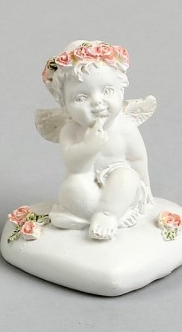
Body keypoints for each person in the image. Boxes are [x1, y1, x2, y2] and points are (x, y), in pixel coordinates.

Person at [36, 40, 155, 241]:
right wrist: (88, 148)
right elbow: (75, 167)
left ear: (121, 92)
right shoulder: (70, 131)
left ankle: (108, 215)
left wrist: (147, 186)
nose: (97, 102)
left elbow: (137, 159)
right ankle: (95, 217)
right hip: (86, 185)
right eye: (81, 97)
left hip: (121, 188)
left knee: (126, 176)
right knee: (72, 185)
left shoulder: (125, 127)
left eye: (107, 91)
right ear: (64, 104)